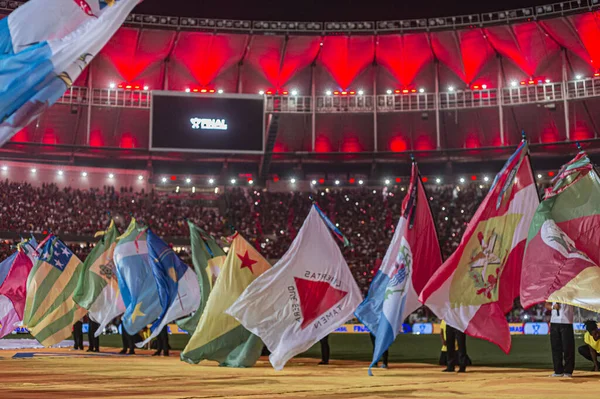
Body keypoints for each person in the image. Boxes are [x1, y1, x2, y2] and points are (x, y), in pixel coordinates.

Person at [545, 302, 574, 377]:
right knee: (555, 347)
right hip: (554, 322)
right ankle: (558, 371)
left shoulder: (570, 291)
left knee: (568, 347)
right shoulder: (553, 292)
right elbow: (546, 304)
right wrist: (553, 307)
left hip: (567, 321)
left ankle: (568, 371)